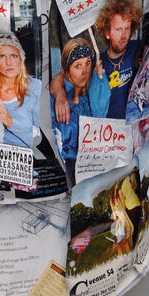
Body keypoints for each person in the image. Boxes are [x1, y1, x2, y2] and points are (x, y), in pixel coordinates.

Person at [52, 0, 143, 125]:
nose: (123, 35)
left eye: (127, 29)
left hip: (136, 128)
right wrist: (60, 96)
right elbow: (60, 78)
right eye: (118, 30)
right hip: (109, 135)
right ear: (107, 33)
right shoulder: (98, 63)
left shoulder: (137, 49)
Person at [50, 39, 109, 186]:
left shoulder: (93, 90)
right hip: (66, 174)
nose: (84, 71)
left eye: (87, 63)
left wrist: (99, 81)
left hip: (95, 168)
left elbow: (100, 118)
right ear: (67, 69)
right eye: (77, 66)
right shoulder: (58, 100)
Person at [0, 31, 41, 152]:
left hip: (30, 164)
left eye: (14, 56)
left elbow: (41, 141)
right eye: (2, 56)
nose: (8, 62)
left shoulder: (35, 88)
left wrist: (10, 121)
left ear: (21, 58)